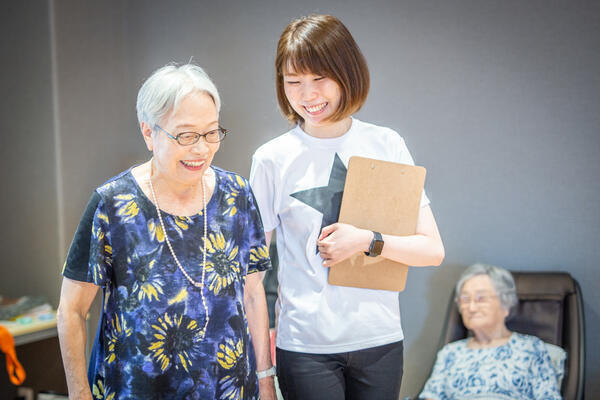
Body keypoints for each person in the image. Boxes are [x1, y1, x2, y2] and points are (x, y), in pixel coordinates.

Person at [249, 14, 445, 400]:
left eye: (319, 78)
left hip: (381, 342)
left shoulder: (386, 145)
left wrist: (367, 240)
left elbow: (432, 249)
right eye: (294, 82)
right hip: (305, 348)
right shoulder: (271, 159)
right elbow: (250, 278)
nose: (307, 95)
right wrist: (263, 374)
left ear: (346, 72)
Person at [57, 63, 276, 400]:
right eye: (186, 136)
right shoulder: (113, 204)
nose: (201, 149)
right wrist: (79, 394)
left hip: (229, 390)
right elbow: (72, 310)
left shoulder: (238, 195)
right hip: (137, 389)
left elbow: (252, 294)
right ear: (149, 133)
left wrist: (265, 381)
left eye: (212, 132)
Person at [419, 264, 565, 400]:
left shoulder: (531, 348)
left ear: (505, 303)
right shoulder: (450, 353)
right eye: (465, 299)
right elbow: (431, 396)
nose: (471, 307)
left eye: (480, 298)